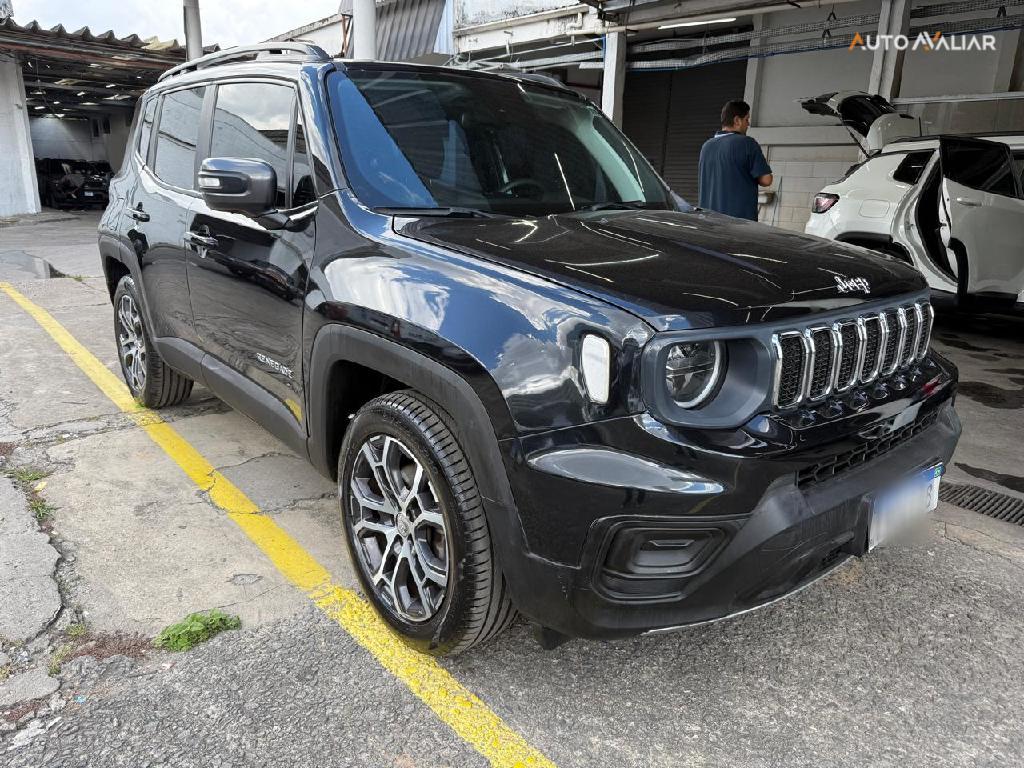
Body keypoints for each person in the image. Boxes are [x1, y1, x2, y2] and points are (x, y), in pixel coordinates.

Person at [698, 100, 773, 221]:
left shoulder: (706, 146)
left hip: (708, 220)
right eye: (746, 120)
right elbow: (766, 180)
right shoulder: (747, 143)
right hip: (738, 222)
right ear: (737, 120)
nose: (748, 124)